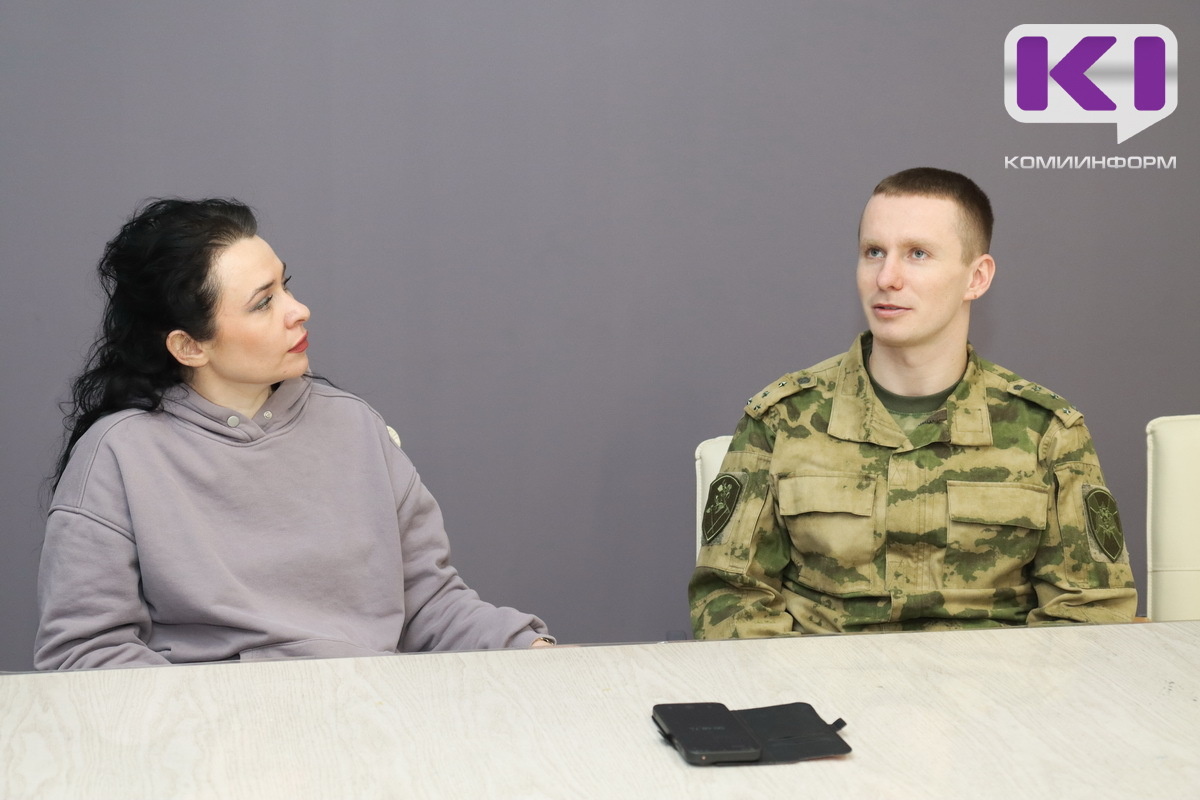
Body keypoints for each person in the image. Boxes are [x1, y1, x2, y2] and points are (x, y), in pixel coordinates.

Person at [36, 198, 553, 670]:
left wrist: (533, 653)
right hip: (213, 732)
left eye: (285, 285)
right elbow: (86, 650)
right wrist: (218, 720)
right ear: (190, 346)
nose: (298, 310)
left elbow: (430, 606)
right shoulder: (118, 455)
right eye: (263, 302)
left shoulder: (355, 426)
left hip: (372, 715)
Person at [689, 167, 1137, 638]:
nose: (887, 278)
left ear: (976, 277)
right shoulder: (783, 418)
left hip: (991, 681)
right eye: (873, 252)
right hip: (822, 678)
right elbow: (729, 598)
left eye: (917, 254)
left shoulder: (1046, 432)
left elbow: (1092, 611)